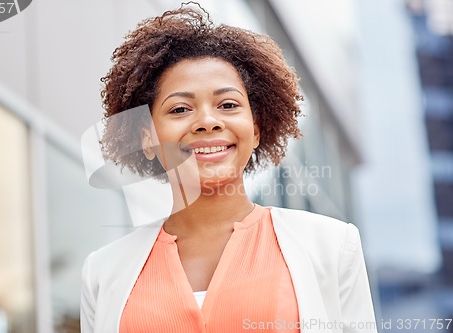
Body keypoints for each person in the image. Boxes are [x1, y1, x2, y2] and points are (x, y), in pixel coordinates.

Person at [80, 4, 377, 333]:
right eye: (180, 108)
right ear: (147, 137)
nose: (207, 122)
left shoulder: (333, 246)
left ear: (256, 129)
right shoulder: (102, 272)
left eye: (228, 105)